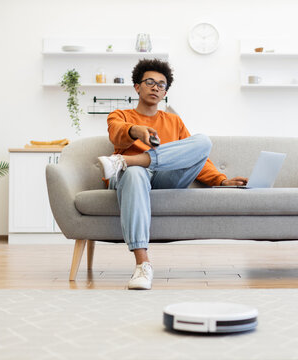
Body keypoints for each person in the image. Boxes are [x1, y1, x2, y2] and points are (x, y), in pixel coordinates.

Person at [98, 59, 248, 290]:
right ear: (137, 87)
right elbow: (116, 134)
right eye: (150, 82)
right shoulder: (120, 115)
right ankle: (142, 265)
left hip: (163, 177)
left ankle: (124, 161)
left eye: (161, 84)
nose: (156, 87)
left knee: (202, 142)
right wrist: (136, 130)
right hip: (131, 179)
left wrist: (220, 179)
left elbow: (196, 156)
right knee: (136, 172)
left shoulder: (174, 121)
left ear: (165, 91)